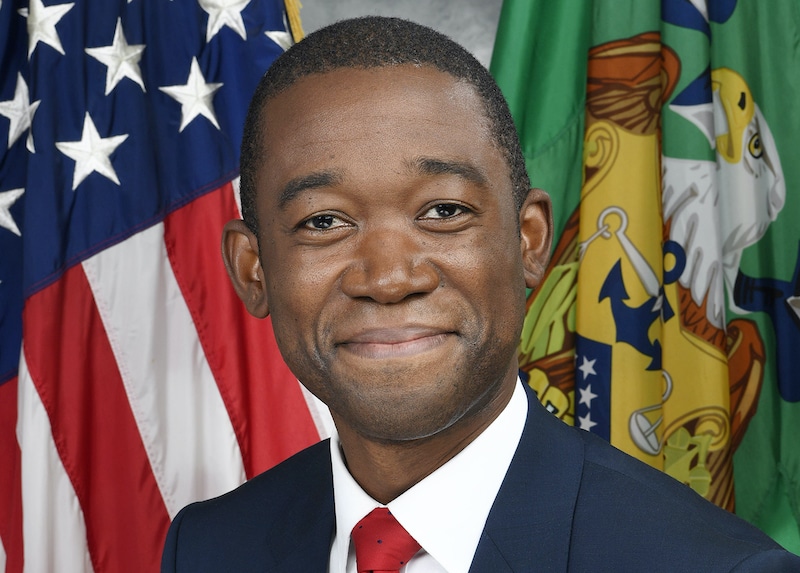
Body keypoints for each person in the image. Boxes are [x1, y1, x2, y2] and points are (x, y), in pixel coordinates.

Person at [161, 16, 800, 573]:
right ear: (253, 271)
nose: (389, 278)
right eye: (324, 221)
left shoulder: (714, 567)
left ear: (529, 241)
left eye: (443, 211)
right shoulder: (210, 548)